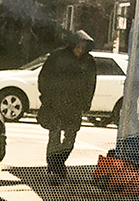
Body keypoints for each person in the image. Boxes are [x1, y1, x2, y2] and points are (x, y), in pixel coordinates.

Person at [37, 30, 97, 184]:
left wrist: (86, 102)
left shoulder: (89, 61)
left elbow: (91, 83)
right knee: (54, 136)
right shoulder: (57, 57)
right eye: (78, 46)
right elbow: (44, 78)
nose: (80, 50)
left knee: (70, 138)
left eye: (83, 47)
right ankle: (53, 166)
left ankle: (59, 162)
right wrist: (46, 97)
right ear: (72, 45)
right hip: (55, 104)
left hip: (75, 106)